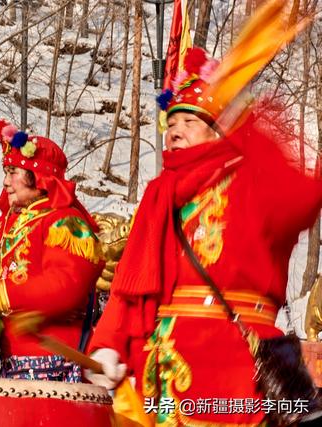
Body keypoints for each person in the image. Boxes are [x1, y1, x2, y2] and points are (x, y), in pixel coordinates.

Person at [87, 48, 322, 425]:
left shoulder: (250, 179)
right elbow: (131, 288)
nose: (174, 130)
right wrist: (108, 345)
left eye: (188, 121)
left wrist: (249, 126)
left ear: (219, 128)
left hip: (232, 366)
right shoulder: (159, 196)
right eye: (172, 121)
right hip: (164, 370)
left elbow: (303, 199)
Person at [0, 120, 104, 382]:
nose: (5, 181)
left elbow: (67, 284)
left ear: (39, 176)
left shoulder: (63, 221)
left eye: (13, 172)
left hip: (51, 360)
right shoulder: (2, 226)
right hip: (3, 360)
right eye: (5, 172)